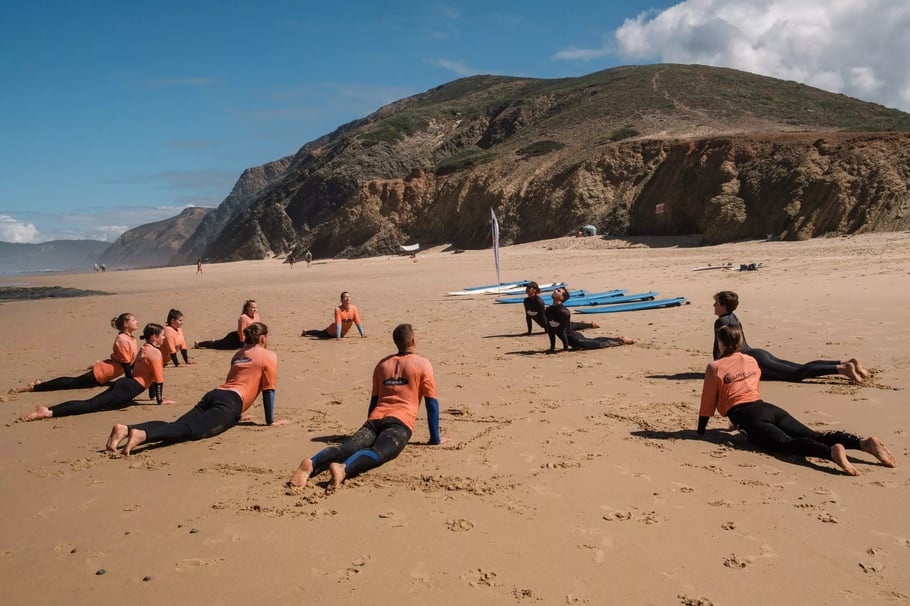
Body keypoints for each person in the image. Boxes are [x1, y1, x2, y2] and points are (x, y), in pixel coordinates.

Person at [698, 324, 896, 475]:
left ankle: (830, 453)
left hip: (747, 415)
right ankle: (863, 443)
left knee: (785, 443)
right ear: (740, 342)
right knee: (814, 434)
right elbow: (752, 385)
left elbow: (708, 402)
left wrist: (700, 431)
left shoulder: (715, 367)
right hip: (766, 407)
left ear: (721, 343)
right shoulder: (751, 360)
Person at [288, 323, 444, 493]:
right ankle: (344, 469)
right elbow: (431, 403)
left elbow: (374, 400)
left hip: (375, 419)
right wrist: (435, 438)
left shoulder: (382, 365)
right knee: (380, 452)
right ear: (413, 340)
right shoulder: (422, 364)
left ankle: (312, 462)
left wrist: (371, 428)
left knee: (348, 447)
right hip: (400, 422)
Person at [106, 322, 286, 455]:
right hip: (231, 402)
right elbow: (268, 390)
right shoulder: (269, 356)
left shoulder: (239, 354)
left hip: (215, 395)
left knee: (178, 425)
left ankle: (126, 429)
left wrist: (236, 415)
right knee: (191, 431)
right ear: (263, 338)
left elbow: (234, 380)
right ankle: (142, 434)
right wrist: (270, 421)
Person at [23, 323, 174, 421]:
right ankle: (48, 412)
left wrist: (154, 396)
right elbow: (158, 379)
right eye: (162, 335)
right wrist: (160, 401)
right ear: (155, 337)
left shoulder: (145, 348)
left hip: (125, 384)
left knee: (89, 403)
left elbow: (151, 377)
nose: (163, 338)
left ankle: (48, 410)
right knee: (91, 405)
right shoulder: (155, 353)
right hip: (129, 387)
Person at [712, 291, 867, 382]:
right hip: (758, 353)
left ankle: (842, 369)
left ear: (723, 306)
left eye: (716, 303)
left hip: (752, 360)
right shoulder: (733, 316)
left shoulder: (721, 322)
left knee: (796, 374)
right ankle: (846, 362)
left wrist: (719, 367)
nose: (714, 306)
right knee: (800, 367)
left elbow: (721, 348)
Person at [18, 313, 139, 393]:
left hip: (108, 370)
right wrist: (131, 381)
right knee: (73, 383)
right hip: (102, 373)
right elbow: (126, 363)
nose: (137, 321)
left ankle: (39, 385)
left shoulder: (131, 338)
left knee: (76, 382)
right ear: (125, 324)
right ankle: (35, 387)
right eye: (133, 320)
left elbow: (131, 361)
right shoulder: (122, 340)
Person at [545, 287, 633, 353]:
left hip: (577, 340)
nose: (555, 291)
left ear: (562, 298)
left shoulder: (564, 312)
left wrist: (565, 350)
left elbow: (563, 331)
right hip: (573, 340)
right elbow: (551, 330)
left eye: (558, 291)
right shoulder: (548, 310)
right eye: (555, 290)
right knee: (594, 340)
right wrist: (552, 348)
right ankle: (618, 338)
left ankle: (621, 340)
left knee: (600, 344)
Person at [522, 281, 598, 335]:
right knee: (571, 324)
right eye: (527, 287)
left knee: (570, 326)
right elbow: (528, 316)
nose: (527, 289)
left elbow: (544, 316)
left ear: (534, 290)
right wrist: (529, 331)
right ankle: (588, 324)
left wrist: (547, 330)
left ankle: (590, 325)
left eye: (529, 287)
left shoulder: (539, 301)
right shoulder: (526, 301)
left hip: (553, 322)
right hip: (550, 323)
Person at [195, 300, 260, 350]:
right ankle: (199, 344)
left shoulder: (257, 316)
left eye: (256, 307)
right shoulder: (243, 317)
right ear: (247, 308)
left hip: (248, 339)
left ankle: (215, 340)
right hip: (235, 339)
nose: (255, 309)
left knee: (219, 342)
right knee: (216, 345)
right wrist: (243, 345)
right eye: (253, 307)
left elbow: (257, 330)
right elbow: (241, 332)